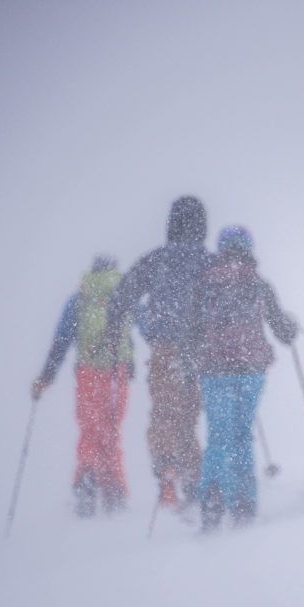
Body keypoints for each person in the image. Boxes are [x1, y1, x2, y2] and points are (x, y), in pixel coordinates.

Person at [104, 196, 212, 510]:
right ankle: (194, 480)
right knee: (188, 417)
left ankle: (166, 470)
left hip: (163, 348)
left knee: (165, 412)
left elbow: (123, 295)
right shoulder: (208, 261)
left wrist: (112, 331)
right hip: (197, 351)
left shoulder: (156, 260)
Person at [193, 225, 298, 531]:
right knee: (241, 435)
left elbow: (193, 329)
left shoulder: (205, 284)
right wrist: (291, 330)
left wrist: (189, 363)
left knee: (218, 437)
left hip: (214, 370)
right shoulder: (259, 284)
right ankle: (243, 503)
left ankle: (212, 498)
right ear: (249, 248)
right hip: (251, 369)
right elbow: (281, 329)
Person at [31, 255, 134, 517]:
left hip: (87, 373)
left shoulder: (79, 300)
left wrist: (46, 377)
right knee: (111, 433)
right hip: (115, 373)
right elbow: (139, 330)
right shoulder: (122, 296)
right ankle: (114, 496)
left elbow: (61, 341)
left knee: (90, 431)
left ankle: (86, 489)